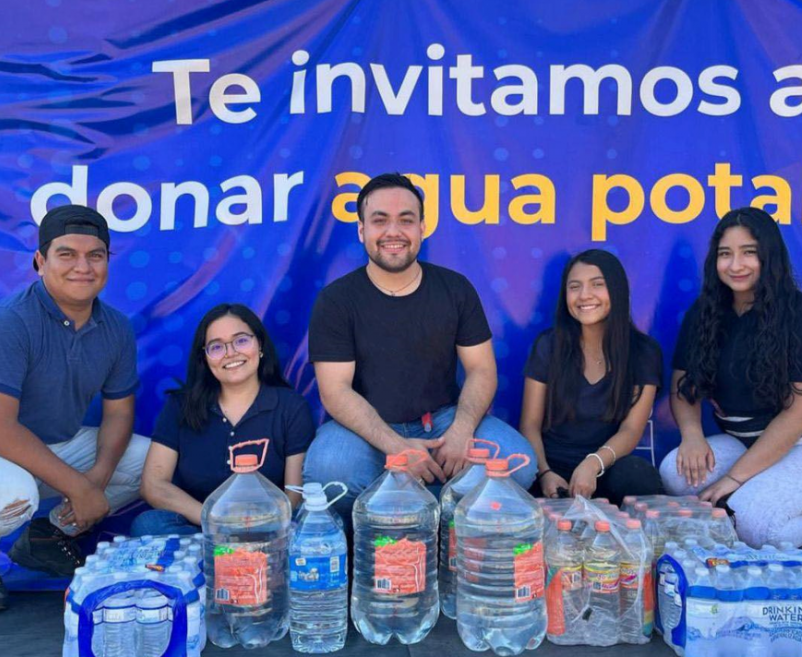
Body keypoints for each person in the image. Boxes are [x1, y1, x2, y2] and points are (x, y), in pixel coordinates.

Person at [303, 173, 536, 520]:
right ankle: (414, 503)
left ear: (422, 228)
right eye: (380, 220)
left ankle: (425, 511)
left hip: (443, 423)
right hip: (368, 431)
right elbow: (335, 391)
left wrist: (461, 430)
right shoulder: (336, 300)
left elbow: (482, 370)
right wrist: (396, 448)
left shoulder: (454, 289)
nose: (393, 232)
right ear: (362, 230)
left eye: (406, 220)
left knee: (520, 464)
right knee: (329, 472)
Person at [660, 207, 802, 556]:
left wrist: (733, 480)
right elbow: (683, 385)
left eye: (749, 252)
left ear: (769, 256)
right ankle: (764, 499)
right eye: (726, 254)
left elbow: (800, 415)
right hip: (746, 442)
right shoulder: (706, 312)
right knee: (675, 475)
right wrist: (691, 435)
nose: (736, 265)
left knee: (752, 520)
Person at [0, 205, 150, 612]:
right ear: (40, 261)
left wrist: (96, 479)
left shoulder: (115, 327)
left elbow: (119, 413)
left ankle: (47, 534)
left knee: (153, 463)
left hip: (57, 444)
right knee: (12, 493)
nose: (83, 266)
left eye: (95, 255)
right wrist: (80, 488)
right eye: (66, 254)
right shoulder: (9, 321)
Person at [133, 304, 315, 535]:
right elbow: (153, 485)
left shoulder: (291, 406)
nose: (230, 353)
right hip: (203, 528)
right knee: (149, 524)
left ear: (259, 345)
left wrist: (264, 527)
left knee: (308, 522)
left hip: (268, 527)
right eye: (216, 347)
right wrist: (212, 520)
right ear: (205, 359)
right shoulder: (181, 406)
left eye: (241, 340)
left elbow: (294, 495)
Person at [521, 249, 665, 501]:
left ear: (617, 291)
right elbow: (529, 424)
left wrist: (592, 464)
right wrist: (544, 473)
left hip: (605, 464)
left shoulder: (643, 351)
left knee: (637, 476)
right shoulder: (548, 345)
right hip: (550, 468)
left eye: (597, 285)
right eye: (574, 287)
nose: (584, 295)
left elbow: (631, 430)